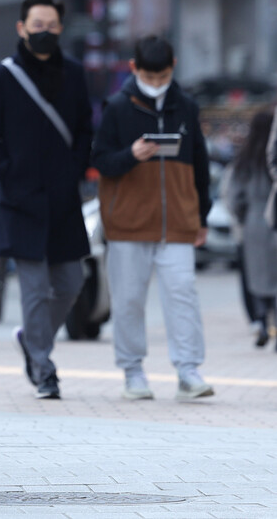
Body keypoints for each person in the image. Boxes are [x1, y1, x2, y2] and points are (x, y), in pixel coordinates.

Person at [0, 0, 93, 399]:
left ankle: (31, 338)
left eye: (52, 25)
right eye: (37, 25)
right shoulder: (1, 76)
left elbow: (83, 131)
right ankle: (44, 369)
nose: (45, 32)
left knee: (72, 283)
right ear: (22, 28)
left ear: (61, 29)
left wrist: (74, 170)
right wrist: (8, 175)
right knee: (36, 289)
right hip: (20, 202)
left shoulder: (75, 74)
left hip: (63, 203)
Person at [92, 35, 213, 401]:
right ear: (134, 68)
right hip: (128, 223)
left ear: (173, 66)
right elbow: (101, 161)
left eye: (162, 76)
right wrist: (131, 154)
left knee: (183, 293)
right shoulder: (116, 106)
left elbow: (201, 165)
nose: (156, 82)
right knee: (128, 298)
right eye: (149, 75)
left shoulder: (187, 106)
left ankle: (189, 370)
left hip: (177, 221)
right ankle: (133, 371)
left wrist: (201, 216)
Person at [226, 109, 277, 348]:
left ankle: (261, 323)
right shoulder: (272, 158)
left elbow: (234, 197)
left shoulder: (244, 160)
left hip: (254, 222)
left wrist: (243, 217)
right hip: (273, 218)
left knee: (256, 278)